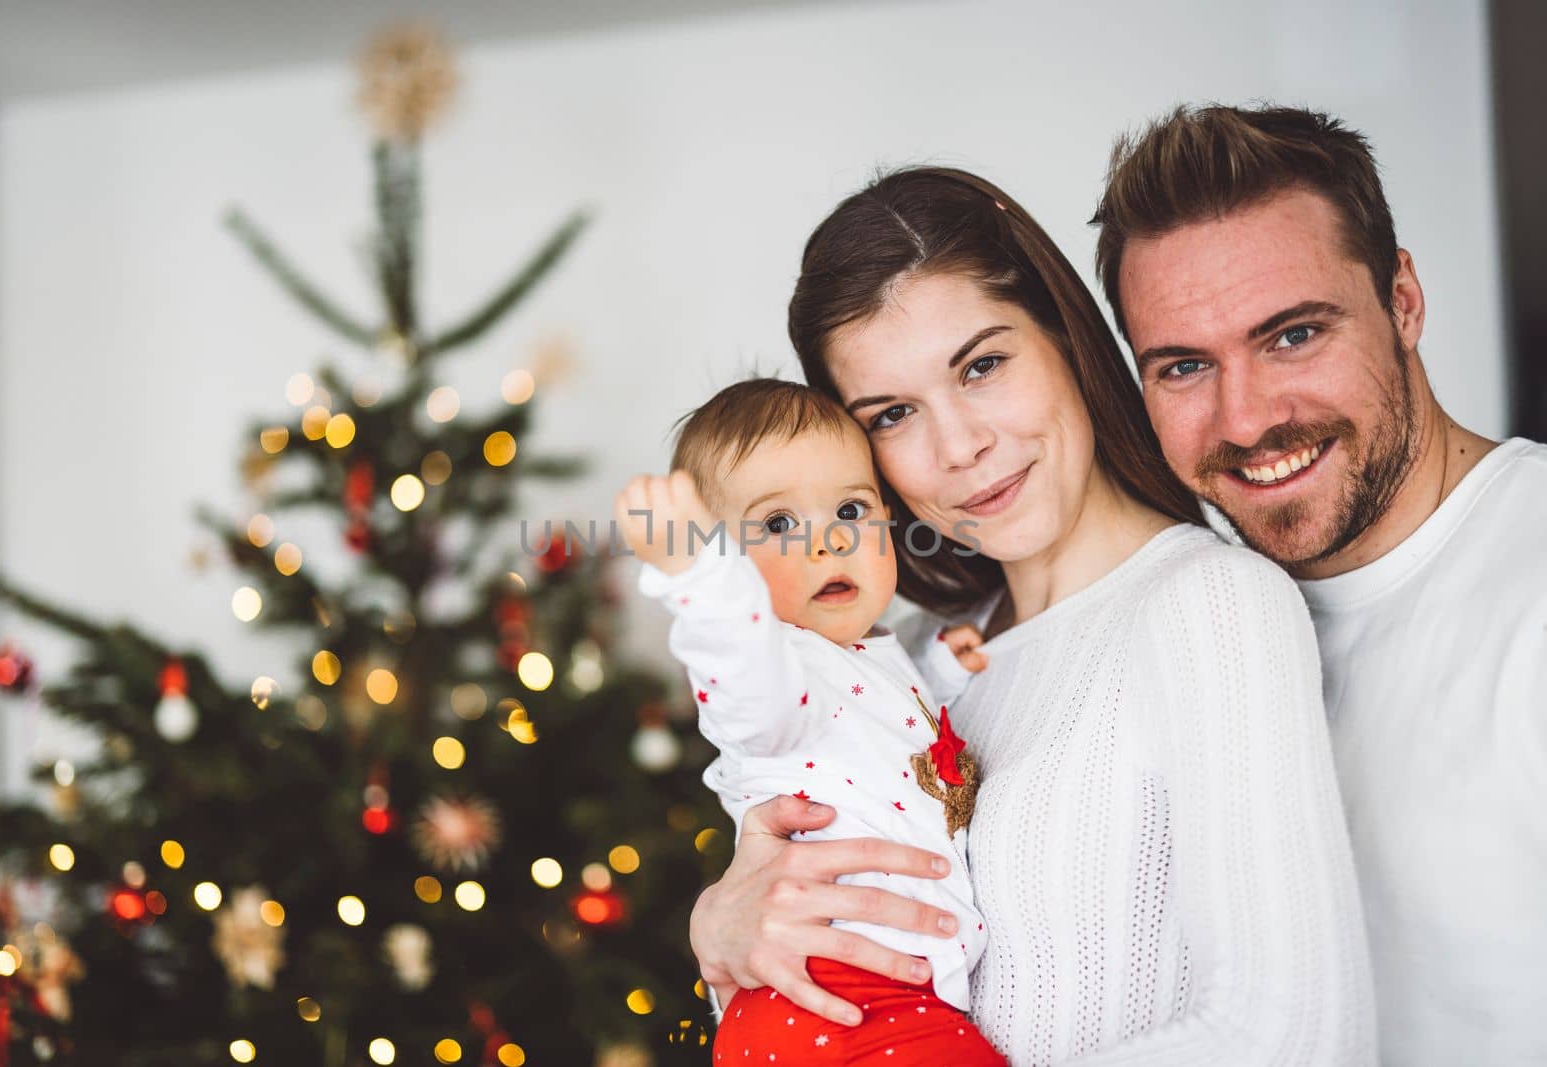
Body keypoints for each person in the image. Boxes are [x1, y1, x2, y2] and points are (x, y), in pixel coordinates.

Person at [687, 167, 1376, 1065]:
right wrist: (725, 928)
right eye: (894, 413)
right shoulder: (914, 665)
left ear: (1065, 337)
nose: (960, 446)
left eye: (982, 365)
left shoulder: (1211, 607)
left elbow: (1296, 1036)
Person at [1090, 104, 1547, 1067]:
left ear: (1404, 301)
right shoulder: (1185, 625)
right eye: (1182, 365)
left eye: (1293, 335)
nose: (1247, 418)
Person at [615, 378, 1005, 1064]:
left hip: (879, 996)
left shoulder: (865, 651)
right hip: (830, 994)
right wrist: (697, 575)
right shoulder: (773, 673)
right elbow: (742, 665)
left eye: (851, 508)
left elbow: (883, 720)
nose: (826, 542)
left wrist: (942, 667)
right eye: (776, 524)